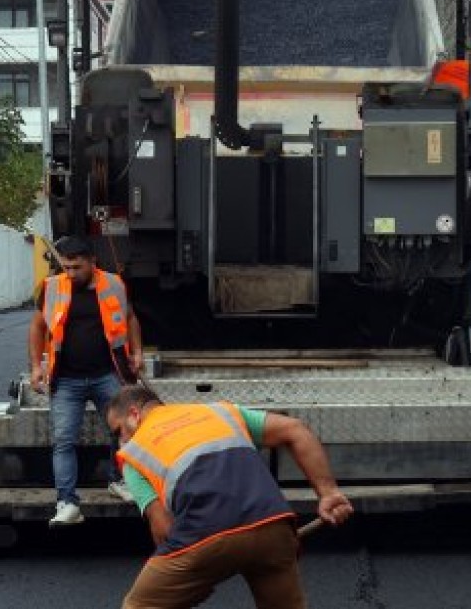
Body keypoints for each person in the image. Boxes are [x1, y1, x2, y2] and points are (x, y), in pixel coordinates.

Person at [107, 385, 355, 609]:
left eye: (119, 431)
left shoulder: (134, 453)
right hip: (274, 525)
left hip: (205, 539)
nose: (121, 442)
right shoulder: (220, 412)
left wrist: (186, 582)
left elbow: (164, 529)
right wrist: (329, 494)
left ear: (134, 414)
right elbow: (296, 430)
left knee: (139, 605)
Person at [29, 236, 145, 525]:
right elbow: (37, 326)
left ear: (92, 262)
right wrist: (35, 367)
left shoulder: (115, 284)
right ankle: (67, 502)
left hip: (107, 374)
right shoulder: (52, 287)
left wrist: (138, 352)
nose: (70, 273)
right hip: (66, 380)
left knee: (124, 431)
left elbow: (130, 318)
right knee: (63, 440)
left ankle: (118, 480)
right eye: (65, 267)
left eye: (76, 267)